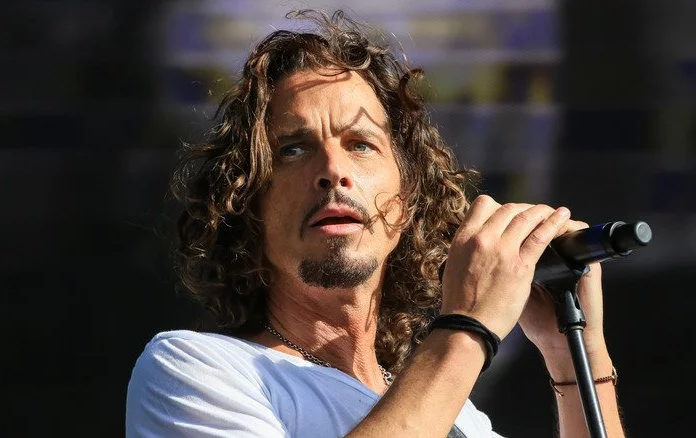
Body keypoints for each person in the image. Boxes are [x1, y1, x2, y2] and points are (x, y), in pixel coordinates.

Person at [126, 10, 624, 437]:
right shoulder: (195, 370)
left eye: (361, 144)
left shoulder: (461, 419)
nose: (333, 172)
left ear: (407, 203)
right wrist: (469, 324)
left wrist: (576, 355)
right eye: (294, 150)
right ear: (248, 205)